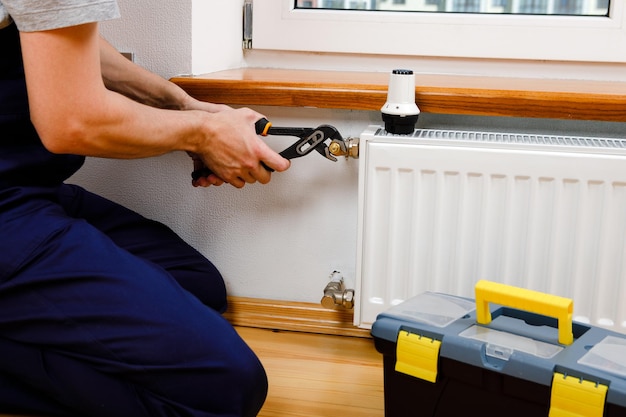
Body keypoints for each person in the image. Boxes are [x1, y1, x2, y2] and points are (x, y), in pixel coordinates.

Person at [0, 1, 291, 416]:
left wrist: (181, 105)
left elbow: (57, 34)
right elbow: (73, 123)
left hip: (26, 186)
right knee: (225, 388)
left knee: (196, 285)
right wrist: (204, 134)